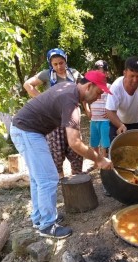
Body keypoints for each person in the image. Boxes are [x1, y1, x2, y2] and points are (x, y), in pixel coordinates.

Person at [11, 70, 113, 239]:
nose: (99, 97)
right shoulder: (70, 101)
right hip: (26, 131)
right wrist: (99, 159)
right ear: (89, 86)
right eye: (98, 92)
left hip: (25, 129)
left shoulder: (69, 88)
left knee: (39, 178)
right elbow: (74, 143)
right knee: (48, 177)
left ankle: (39, 218)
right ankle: (47, 225)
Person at [23, 48, 87, 178]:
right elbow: (27, 85)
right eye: (55, 64)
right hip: (54, 120)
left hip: (72, 117)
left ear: (65, 60)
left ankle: (78, 179)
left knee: (75, 149)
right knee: (56, 151)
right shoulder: (47, 74)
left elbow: (83, 90)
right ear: (51, 64)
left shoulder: (74, 73)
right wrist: (42, 99)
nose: (59, 66)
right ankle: (61, 182)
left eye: (61, 63)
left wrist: (87, 109)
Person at [105, 56, 138, 141]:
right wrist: (120, 125)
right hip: (119, 121)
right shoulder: (116, 87)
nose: (135, 80)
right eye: (132, 76)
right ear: (124, 73)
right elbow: (109, 111)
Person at [89, 60, 111, 158]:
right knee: (94, 142)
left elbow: (115, 102)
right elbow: (85, 101)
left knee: (104, 142)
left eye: (101, 73)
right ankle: (96, 161)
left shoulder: (110, 87)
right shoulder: (91, 87)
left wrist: (110, 112)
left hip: (105, 120)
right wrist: (87, 110)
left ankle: (104, 159)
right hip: (94, 120)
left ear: (107, 73)